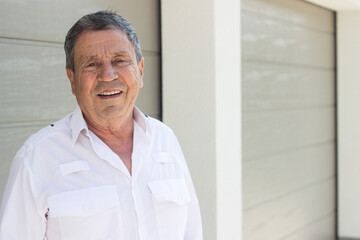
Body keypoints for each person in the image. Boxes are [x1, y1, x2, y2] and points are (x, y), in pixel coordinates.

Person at [0, 10, 202, 240]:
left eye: (120, 61)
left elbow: (191, 232)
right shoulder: (36, 158)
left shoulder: (166, 140)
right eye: (92, 64)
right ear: (72, 80)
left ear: (140, 71)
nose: (107, 75)